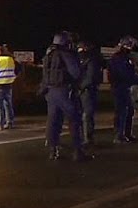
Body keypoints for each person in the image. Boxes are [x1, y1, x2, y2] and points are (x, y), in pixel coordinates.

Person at [39, 32, 93, 161]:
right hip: (64, 91)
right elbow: (75, 73)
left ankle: (53, 151)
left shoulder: (49, 55)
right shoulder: (67, 55)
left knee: (53, 121)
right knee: (74, 120)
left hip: (50, 92)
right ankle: (78, 152)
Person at [107, 35, 138, 144]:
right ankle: (119, 135)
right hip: (119, 87)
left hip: (123, 87)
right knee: (122, 111)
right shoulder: (119, 58)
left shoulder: (123, 58)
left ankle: (126, 134)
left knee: (129, 111)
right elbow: (124, 74)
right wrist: (136, 79)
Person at [77, 40, 103, 145]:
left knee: (87, 115)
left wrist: (80, 87)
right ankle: (84, 137)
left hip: (87, 90)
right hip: (84, 89)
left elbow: (90, 77)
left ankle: (87, 138)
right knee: (84, 115)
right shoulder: (86, 59)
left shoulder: (90, 60)